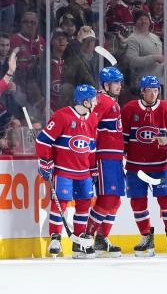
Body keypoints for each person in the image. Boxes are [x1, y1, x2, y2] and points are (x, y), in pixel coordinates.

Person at [35, 84, 99, 259]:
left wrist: (93, 169)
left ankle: (79, 241)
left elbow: (91, 147)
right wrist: (46, 161)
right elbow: (42, 141)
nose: (96, 102)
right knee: (60, 204)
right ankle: (55, 237)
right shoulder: (62, 116)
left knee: (84, 204)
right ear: (85, 101)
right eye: (94, 99)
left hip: (84, 172)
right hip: (64, 171)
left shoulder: (93, 118)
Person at [121, 75, 167, 257]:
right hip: (135, 167)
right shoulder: (129, 109)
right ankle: (146, 236)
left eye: (156, 90)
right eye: (149, 90)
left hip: (161, 166)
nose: (153, 94)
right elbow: (122, 138)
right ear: (142, 91)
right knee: (138, 203)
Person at [85, 67, 125, 258]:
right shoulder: (101, 100)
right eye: (116, 82)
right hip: (104, 157)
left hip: (116, 157)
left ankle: (102, 238)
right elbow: (90, 125)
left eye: (119, 82)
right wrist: (91, 158)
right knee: (107, 199)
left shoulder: (111, 101)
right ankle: (87, 237)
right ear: (105, 84)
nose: (119, 86)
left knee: (115, 200)